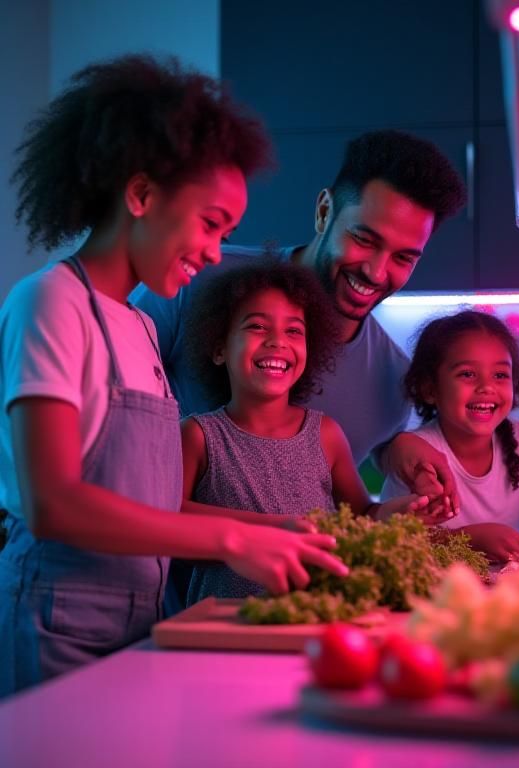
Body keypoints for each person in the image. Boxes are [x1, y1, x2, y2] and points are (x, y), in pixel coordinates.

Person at [0, 54, 348, 697]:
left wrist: (285, 532)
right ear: (140, 195)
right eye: (211, 223)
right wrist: (226, 536)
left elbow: (150, 504)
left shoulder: (135, 325)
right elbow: (52, 503)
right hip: (55, 626)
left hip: (137, 624)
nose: (217, 251)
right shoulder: (49, 301)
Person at [130, 129, 468, 487]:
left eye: (403, 257)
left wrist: (400, 451)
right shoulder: (198, 279)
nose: (376, 271)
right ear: (324, 212)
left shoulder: (394, 382)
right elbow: (110, 389)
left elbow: (371, 461)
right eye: (364, 239)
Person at [179, 260, 444, 602]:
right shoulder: (198, 435)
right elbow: (172, 516)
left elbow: (363, 515)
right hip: (225, 620)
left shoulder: (325, 434)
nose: (278, 342)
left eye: (294, 331)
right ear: (219, 349)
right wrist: (278, 528)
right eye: (257, 326)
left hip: (316, 615)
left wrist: (401, 511)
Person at [380, 310, 519, 564]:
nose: (487, 387)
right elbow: (398, 538)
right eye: (467, 374)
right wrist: (470, 540)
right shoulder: (417, 454)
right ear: (430, 389)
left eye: (500, 375)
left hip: (509, 590)